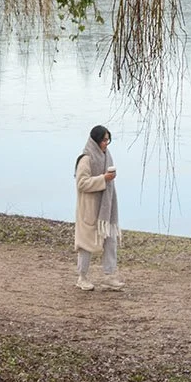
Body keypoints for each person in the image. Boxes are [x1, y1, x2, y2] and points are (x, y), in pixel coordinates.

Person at [73, 124, 120, 289]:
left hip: (106, 208)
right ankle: (82, 277)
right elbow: (81, 183)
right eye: (104, 140)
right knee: (86, 243)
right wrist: (103, 179)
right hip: (90, 208)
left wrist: (108, 178)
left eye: (108, 140)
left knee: (110, 240)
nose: (106, 143)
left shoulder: (107, 156)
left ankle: (109, 276)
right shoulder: (86, 159)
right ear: (96, 140)